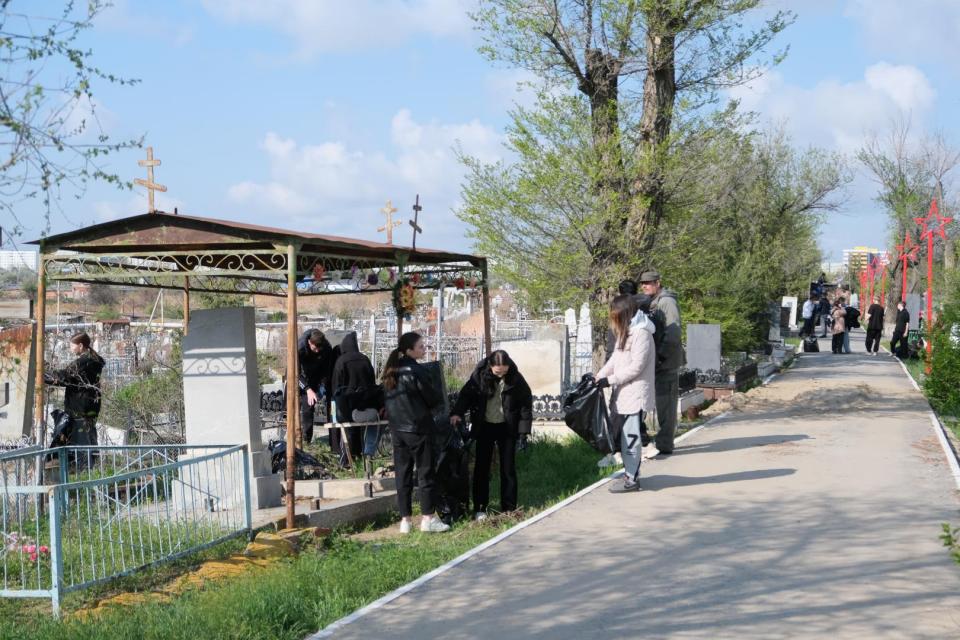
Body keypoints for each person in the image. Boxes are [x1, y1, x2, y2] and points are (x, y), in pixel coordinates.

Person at [450, 350, 532, 519]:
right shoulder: (479, 376)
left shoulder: (516, 378)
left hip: (507, 428)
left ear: (508, 366)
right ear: (490, 366)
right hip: (484, 427)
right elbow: (465, 395)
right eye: (497, 372)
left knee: (508, 468)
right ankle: (480, 508)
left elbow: (525, 405)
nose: (501, 375)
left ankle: (509, 508)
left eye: (504, 371)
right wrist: (457, 412)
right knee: (481, 468)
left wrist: (523, 432)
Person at [382, 332, 449, 533]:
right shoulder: (416, 371)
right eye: (420, 346)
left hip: (397, 430)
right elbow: (432, 398)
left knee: (402, 475)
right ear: (409, 350)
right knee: (425, 473)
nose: (424, 349)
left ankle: (405, 521)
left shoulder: (391, 370)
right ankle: (428, 518)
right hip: (418, 429)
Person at [594, 295, 657, 492]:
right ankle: (630, 475)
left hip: (636, 393)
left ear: (625, 314)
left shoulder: (641, 334)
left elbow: (637, 367)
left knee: (631, 437)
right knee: (626, 436)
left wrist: (610, 380)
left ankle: (632, 479)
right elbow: (615, 359)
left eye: (616, 316)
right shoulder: (627, 331)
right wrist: (599, 376)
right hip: (624, 392)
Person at [640, 269, 683, 458]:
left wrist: (661, 356)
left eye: (648, 283)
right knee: (658, 402)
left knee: (666, 404)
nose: (644, 286)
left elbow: (673, 333)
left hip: (666, 362)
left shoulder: (667, 302)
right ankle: (659, 442)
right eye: (643, 283)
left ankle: (665, 444)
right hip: (656, 361)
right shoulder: (653, 302)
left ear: (658, 283)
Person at [44, 332, 105, 447]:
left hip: (79, 407)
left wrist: (42, 374)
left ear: (80, 346)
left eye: (72, 345)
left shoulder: (83, 362)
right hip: (90, 406)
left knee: (78, 442)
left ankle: (81, 458)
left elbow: (64, 377)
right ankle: (88, 457)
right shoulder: (94, 360)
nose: (70, 348)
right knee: (88, 439)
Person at [332, 331, 383, 469]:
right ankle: (363, 458)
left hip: (347, 405)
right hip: (366, 404)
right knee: (364, 432)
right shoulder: (365, 359)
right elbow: (372, 382)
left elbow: (336, 387)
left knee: (347, 432)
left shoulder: (341, 361)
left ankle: (346, 462)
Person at [297, 329, 334, 445]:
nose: (317, 351)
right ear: (309, 342)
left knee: (309, 408)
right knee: (293, 407)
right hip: (300, 377)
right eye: (315, 348)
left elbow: (327, 369)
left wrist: (322, 384)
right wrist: (307, 389)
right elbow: (295, 374)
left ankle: (307, 441)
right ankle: (295, 439)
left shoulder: (326, 348)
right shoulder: (300, 348)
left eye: (319, 348)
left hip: (316, 377)